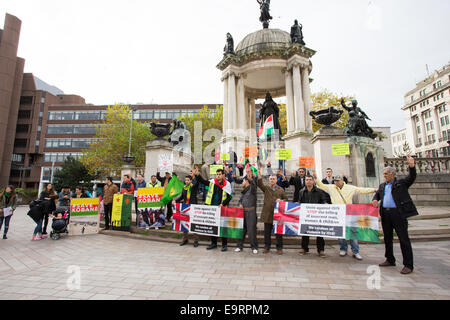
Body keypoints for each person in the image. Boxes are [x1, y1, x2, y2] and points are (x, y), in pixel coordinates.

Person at [314, 173, 377, 260]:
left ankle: (356, 251)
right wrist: (316, 178)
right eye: (335, 181)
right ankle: (343, 248)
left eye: (338, 181)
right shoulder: (332, 187)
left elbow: (361, 190)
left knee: (352, 233)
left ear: (342, 181)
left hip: (349, 212)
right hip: (338, 213)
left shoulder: (350, 188)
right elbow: (321, 186)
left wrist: (374, 190)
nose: (336, 182)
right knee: (340, 232)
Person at [372, 155, 417, 275]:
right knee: (387, 238)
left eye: (386, 173)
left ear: (392, 174)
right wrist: (375, 199)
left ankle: (408, 264)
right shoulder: (382, 186)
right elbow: (377, 195)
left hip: (398, 214)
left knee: (403, 239)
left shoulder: (401, 183)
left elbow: (412, 177)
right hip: (386, 214)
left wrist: (411, 166)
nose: (384, 175)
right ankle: (390, 259)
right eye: (384, 174)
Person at [197, 169, 232, 252]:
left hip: (222, 208)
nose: (218, 176)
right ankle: (214, 243)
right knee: (213, 226)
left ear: (223, 175)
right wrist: (197, 174)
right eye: (217, 174)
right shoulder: (213, 182)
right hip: (212, 208)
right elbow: (203, 181)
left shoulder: (227, 184)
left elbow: (230, 197)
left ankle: (224, 245)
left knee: (223, 227)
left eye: (220, 174)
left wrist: (223, 203)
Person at [298, 176, 329, 257]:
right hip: (306, 215)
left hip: (317, 216)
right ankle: (304, 248)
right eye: (307, 180)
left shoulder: (319, 191)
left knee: (319, 233)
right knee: (305, 232)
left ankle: (321, 250)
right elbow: (300, 201)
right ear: (305, 181)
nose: (308, 181)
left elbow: (323, 200)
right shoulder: (302, 191)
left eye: (310, 180)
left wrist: (325, 203)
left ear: (313, 181)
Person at [257, 174, 288, 254]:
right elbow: (260, 185)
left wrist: (281, 201)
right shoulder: (266, 188)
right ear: (269, 180)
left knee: (278, 233)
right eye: (270, 179)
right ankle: (267, 247)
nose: (272, 180)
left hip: (278, 214)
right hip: (267, 213)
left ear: (276, 180)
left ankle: (279, 248)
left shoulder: (281, 189)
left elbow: (286, 199)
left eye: (273, 179)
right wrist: (260, 176)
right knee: (267, 232)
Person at [175, 173, 201, 248]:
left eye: (188, 180)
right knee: (184, 224)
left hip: (192, 208)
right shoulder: (184, 188)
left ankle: (196, 240)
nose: (186, 181)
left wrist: (196, 175)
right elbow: (182, 197)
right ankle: (185, 239)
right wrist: (175, 201)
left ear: (191, 181)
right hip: (185, 208)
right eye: (185, 180)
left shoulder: (193, 187)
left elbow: (198, 182)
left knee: (193, 224)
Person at [235, 177, 258, 254]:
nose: (242, 183)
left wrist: (251, 178)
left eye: (243, 181)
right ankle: (239, 246)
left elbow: (254, 185)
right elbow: (240, 201)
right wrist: (240, 204)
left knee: (251, 231)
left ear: (247, 181)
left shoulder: (252, 189)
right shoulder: (244, 191)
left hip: (251, 212)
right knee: (241, 231)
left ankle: (254, 247)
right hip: (243, 213)